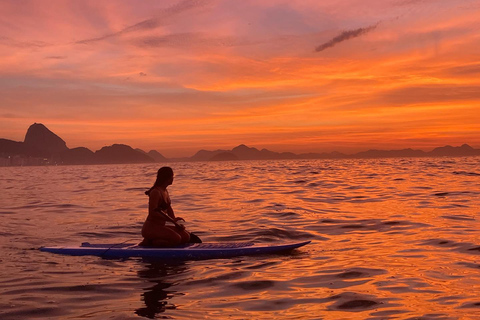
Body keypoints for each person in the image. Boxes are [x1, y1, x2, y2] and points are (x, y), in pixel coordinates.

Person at [140, 167, 191, 247]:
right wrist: (170, 220)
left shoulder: (165, 191)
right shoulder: (156, 192)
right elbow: (153, 212)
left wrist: (174, 220)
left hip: (160, 227)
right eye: (172, 176)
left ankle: (154, 240)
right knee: (177, 238)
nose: (173, 178)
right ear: (167, 177)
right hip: (151, 228)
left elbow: (169, 208)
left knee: (186, 236)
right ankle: (151, 242)